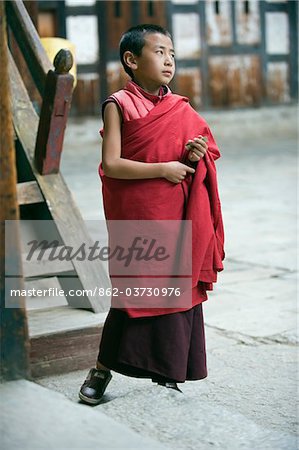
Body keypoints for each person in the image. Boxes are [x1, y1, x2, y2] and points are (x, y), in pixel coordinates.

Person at [79, 24, 224, 405]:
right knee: (132, 293)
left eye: (172, 53)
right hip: (137, 214)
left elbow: (200, 157)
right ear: (131, 59)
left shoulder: (180, 107)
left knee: (177, 290)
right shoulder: (118, 104)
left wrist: (193, 155)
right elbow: (111, 165)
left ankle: (167, 372)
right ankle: (101, 369)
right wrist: (164, 168)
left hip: (174, 211)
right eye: (159, 52)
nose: (169, 60)